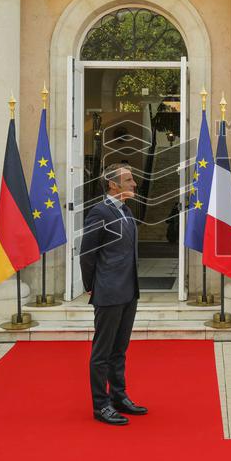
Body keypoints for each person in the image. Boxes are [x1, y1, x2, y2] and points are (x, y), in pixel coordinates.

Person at [80, 163, 147, 426]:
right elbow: (87, 253)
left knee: (120, 349)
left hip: (129, 291)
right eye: (129, 180)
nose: (134, 184)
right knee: (103, 352)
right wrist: (91, 285)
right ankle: (101, 405)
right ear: (113, 184)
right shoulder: (100, 212)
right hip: (108, 290)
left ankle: (119, 396)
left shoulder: (127, 211)